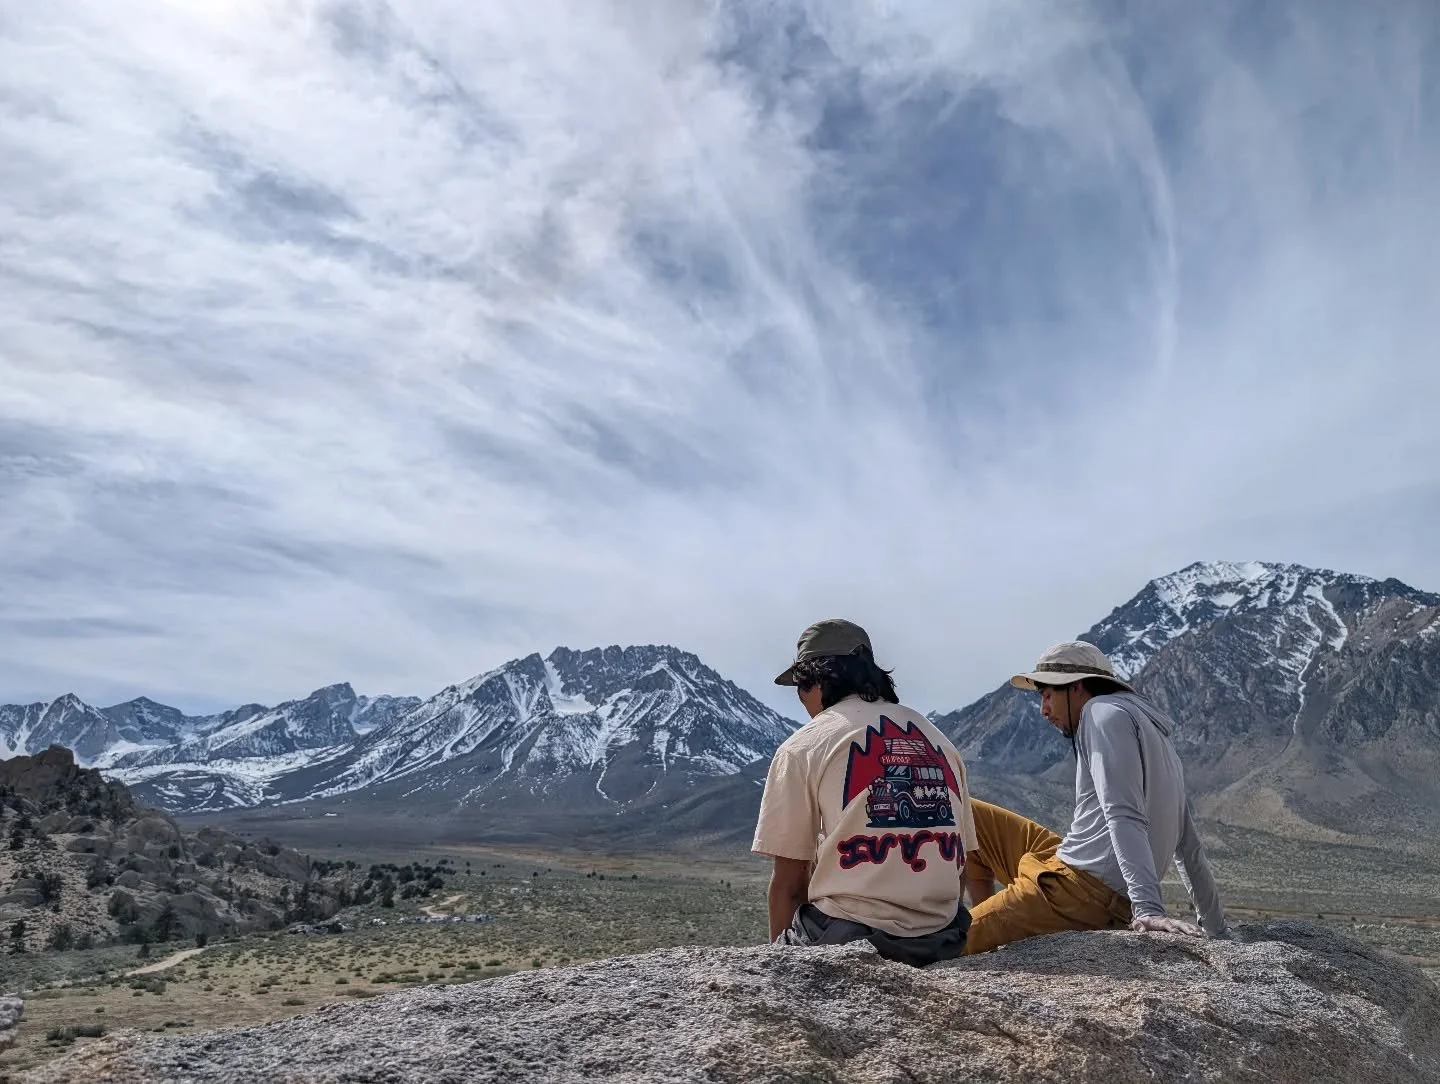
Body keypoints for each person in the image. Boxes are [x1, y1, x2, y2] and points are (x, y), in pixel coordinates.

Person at [962, 641, 1229, 954]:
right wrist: (1217, 930)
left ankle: (978, 930)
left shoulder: (1100, 714)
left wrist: (1147, 911)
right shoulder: (1156, 734)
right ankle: (995, 923)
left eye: (1048, 695)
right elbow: (1189, 847)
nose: (1043, 710)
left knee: (942, 943)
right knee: (962, 810)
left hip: (1080, 892)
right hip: (1071, 865)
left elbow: (1123, 815)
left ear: (1076, 688)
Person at [753, 618, 980, 966]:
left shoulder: (803, 748)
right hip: (944, 939)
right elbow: (960, 866)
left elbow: (789, 884)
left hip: (852, 942)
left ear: (816, 681)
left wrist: (779, 972)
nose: (801, 700)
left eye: (799, 686)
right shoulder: (940, 741)